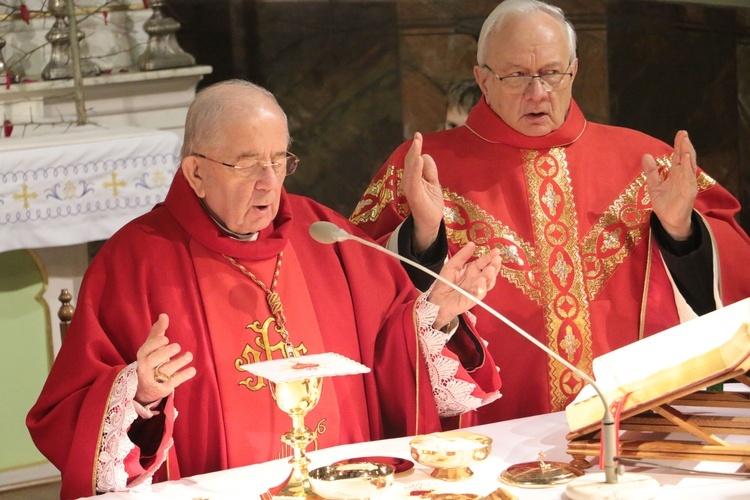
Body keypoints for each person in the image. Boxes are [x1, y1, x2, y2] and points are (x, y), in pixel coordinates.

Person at [26, 80, 504, 499]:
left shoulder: (324, 234)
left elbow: (393, 345)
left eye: (280, 160)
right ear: (196, 173)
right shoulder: (135, 261)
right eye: (248, 164)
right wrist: (141, 393)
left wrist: (437, 316)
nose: (269, 182)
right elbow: (69, 412)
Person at [350, 0, 750, 425]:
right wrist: (424, 236)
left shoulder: (645, 161)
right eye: (517, 75)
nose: (538, 92)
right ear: (482, 79)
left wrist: (680, 230)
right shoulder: (424, 166)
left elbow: (735, 279)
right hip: (492, 433)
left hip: (632, 427)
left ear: (574, 71)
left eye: (552, 73)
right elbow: (362, 289)